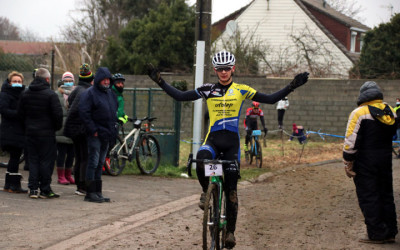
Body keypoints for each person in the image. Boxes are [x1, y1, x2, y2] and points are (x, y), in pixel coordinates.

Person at [147, 50, 309, 248]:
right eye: (219, 69)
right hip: (213, 141)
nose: (223, 72)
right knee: (201, 158)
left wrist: (292, 85)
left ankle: (230, 231)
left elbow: (271, 99)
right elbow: (181, 96)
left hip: (231, 144)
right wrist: (160, 81)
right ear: (215, 70)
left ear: (232, 69)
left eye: (226, 69)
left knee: (231, 190)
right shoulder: (207, 89)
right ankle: (206, 191)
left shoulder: (241, 90)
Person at [343, 81, 398, 244]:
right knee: (386, 194)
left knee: (369, 195)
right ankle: (390, 231)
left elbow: (350, 141)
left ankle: (376, 234)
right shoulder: (390, 112)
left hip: (365, 161)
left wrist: (348, 160)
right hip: (385, 159)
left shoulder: (359, 113)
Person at [17, 68, 63, 199]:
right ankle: (45, 189)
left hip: (30, 133)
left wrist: (26, 128)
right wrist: (55, 128)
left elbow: (20, 114)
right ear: (47, 79)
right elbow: (57, 115)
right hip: (47, 134)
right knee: (46, 161)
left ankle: (32, 189)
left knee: (32, 160)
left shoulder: (25, 94)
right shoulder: (51, 95)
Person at [79, 67, 118, 203]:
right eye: (104, 79)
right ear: (99, 80)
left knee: (100, 162)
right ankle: (90, 192)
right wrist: (93, 130)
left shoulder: (110, 94)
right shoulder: (89, 94)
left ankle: (97, 191)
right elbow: (84, 113)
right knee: (93, 162)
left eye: (108, 79)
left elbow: (114, 111)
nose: (106, 82)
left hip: (106, 134)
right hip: (95, 134)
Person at [64, 63, 94, 195]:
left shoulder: (76, 90)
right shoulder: (88, 92)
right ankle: (83, 186)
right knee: (85, 157)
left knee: (79, 157)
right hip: (82, 129)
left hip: (73, 129)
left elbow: (69, 104)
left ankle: (78, 184)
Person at [0, 71, 27, 193]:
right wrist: (18, 114)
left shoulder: (22, 94)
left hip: (18, 130)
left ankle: (9, 184)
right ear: (10, 82)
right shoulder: (5, 94)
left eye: (19, 81)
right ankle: (14, 185)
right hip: (10, 130)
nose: (17, 83)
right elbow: (4, 110)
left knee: (14, 158)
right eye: (15, 81)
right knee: (15, 157)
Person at [55, 72, 75, 185]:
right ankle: (61, 176)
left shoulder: (75, 92)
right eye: (66, 80)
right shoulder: (57, 94)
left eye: (70, 80)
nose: (68, 82)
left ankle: (68, 175)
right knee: (61, 154)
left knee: (71, 154)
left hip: (72, 129)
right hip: (60, 129)